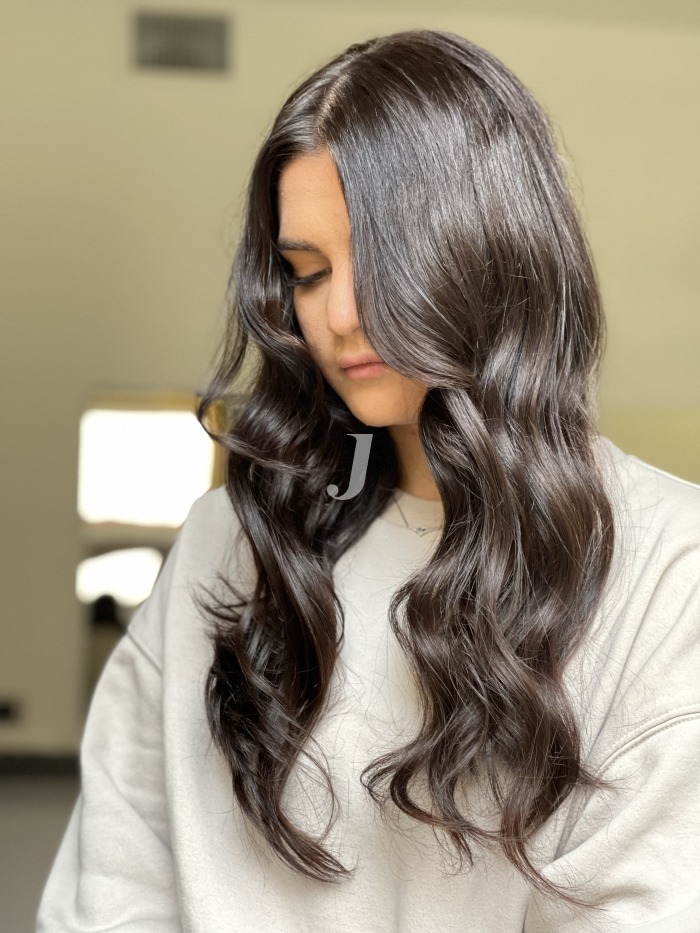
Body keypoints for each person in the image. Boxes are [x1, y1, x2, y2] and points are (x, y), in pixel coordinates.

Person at [37, 30, 700, 933]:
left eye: (382, 257)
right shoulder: (225, 540)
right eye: (306, 272)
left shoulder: (668, 568)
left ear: (493, 250)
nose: (338, 314)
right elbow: (113, 881)